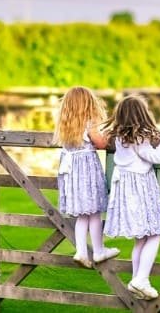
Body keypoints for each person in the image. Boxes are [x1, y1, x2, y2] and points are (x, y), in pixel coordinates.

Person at [103, 96, 160, 301]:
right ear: (142, 114)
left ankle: (137, 281)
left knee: (140, 238)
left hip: (125, 188)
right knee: (155, 232)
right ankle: (142, 278)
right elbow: (156, 157)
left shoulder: (119, 137)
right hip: (140, 188)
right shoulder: (139, 137)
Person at [53, 86, 119, 268]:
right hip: (87, 170)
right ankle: (99, 251)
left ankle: (81, 251)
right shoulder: (91, 120)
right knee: (95, 212)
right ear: (89, 103)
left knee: (83, 215)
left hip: (71, 171)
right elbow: (100, 142)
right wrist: (109, 137)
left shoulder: (66, 123)